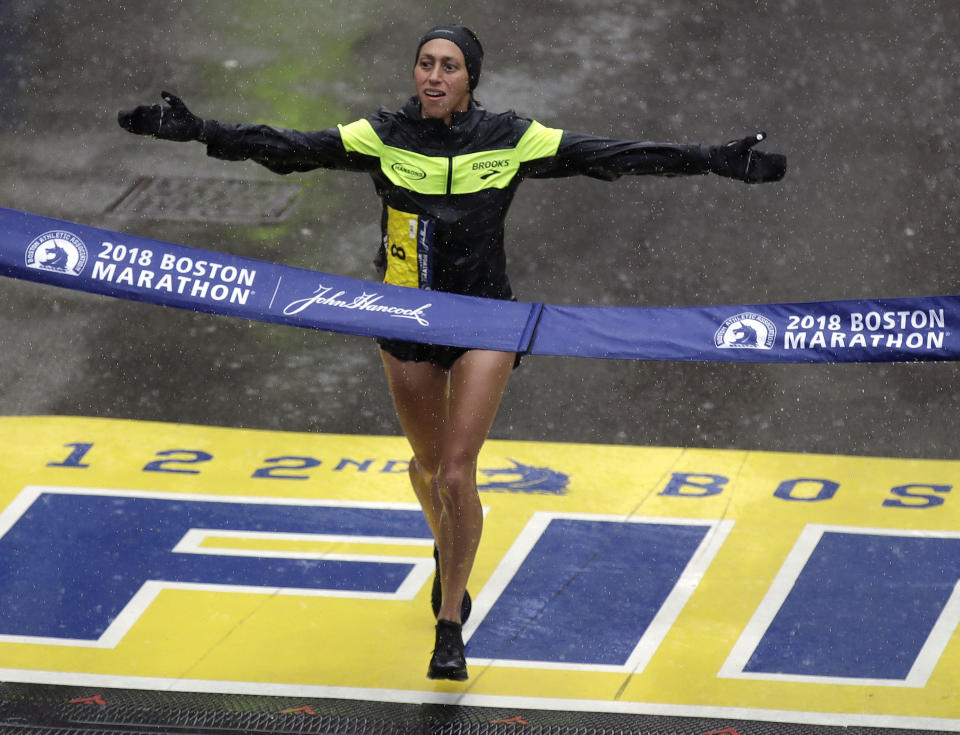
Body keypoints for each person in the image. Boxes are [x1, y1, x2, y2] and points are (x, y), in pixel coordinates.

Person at [118, 24, 786, 681]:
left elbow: (609, 155)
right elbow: (291, 147)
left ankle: (449, 628)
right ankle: (450, 546)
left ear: (471, 80)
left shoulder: (511, 138)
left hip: (484, 319)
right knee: (429, 466)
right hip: (405, 316)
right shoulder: (384, 135)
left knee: (457, 474)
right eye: (426, 64)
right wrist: (200, 129)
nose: (434, 76)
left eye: (449, 66)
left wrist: (710, 157)